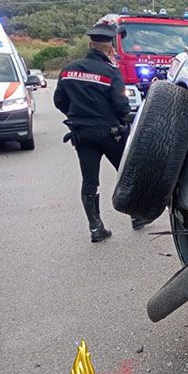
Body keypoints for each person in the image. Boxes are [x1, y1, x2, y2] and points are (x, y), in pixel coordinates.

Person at [53, 22, 148, 242]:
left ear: (90, 44)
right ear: (111, 49)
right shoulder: (110, 73)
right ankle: (136, 216)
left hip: (82, 134)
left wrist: (76, 116)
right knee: (125, 174)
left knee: (89, 181)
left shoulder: (68, 70)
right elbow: (122, 107)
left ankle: (96, 227)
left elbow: (59, 101)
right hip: (111, 134)